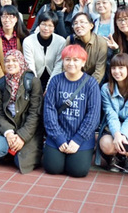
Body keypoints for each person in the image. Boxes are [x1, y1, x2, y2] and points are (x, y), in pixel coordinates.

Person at [43, 45, 101, 177]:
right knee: (52, 168)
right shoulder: (55, 81)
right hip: (57, 134)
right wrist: (58, 137)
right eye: (67, 59)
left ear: (83, 62)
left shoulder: (91, 84)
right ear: (63, 61)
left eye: (76, 60)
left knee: (77, 171)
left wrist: (78, 140)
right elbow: (49, 111)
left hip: (81, 136)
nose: (71, 63)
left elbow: (93, 115)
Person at [0, 50, 43, 174]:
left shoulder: (33, 82)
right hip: (8, 128)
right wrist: (8, 133)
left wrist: (22, 137)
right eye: (7, 61)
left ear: (21, 62)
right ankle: (11, 148)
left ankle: (20, 151)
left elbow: (35, 114)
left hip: (27, 129)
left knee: (22, 162)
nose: (10, 64)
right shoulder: (1, 83)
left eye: (14, 60)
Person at [98, 53, 128, 173]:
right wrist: (117, 134)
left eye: (121, 68)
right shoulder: (105, 88)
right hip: (113, 127)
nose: (117, 71)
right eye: (113, 68)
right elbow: (110, 114)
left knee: (127, 146)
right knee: (106, 145)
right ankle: (114, 158)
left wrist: (123, 135)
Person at [22, 10, 65, 90]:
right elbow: (30, 65)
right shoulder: (28, 41)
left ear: (54, 27)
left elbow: (59, 66)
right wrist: (36, 87)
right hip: (34, 80)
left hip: (55, 80)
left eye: (50, 25)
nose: (46, 28)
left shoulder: (61, 41)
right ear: (38, 25)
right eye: (43, 24)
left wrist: (50, 86)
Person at [0, 4, 29, 80]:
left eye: (11, 16)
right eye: (4, 16)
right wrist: (3, 80)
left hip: (19, 79)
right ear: (0, 18)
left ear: (16, 19)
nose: (7, 20)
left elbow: (25, 60)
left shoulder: (23, 36)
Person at [64, 12, 108, 84]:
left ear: (91, 25)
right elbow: (65, 66)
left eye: (82, 22)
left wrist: (85, 88)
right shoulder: (70, 40)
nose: (78, 26)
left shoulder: (101, 42)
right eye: (75, 23)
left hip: (93, 80)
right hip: (74, 79)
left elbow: (99, 72)